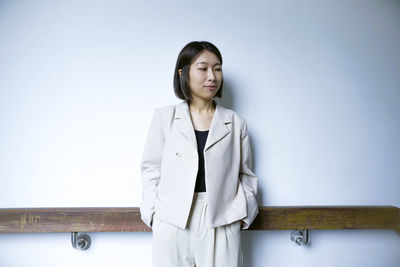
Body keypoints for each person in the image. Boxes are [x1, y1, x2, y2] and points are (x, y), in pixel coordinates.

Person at [140, 41, 258, 267]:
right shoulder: (165, 118)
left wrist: (242, 214)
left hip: (222, 218)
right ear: (183, 73)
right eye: (203, 68)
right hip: (173, 218)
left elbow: (246, 175)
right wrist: (154, 214)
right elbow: (150, 168)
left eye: (217, 68)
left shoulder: (235, 123)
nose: (212, 76)